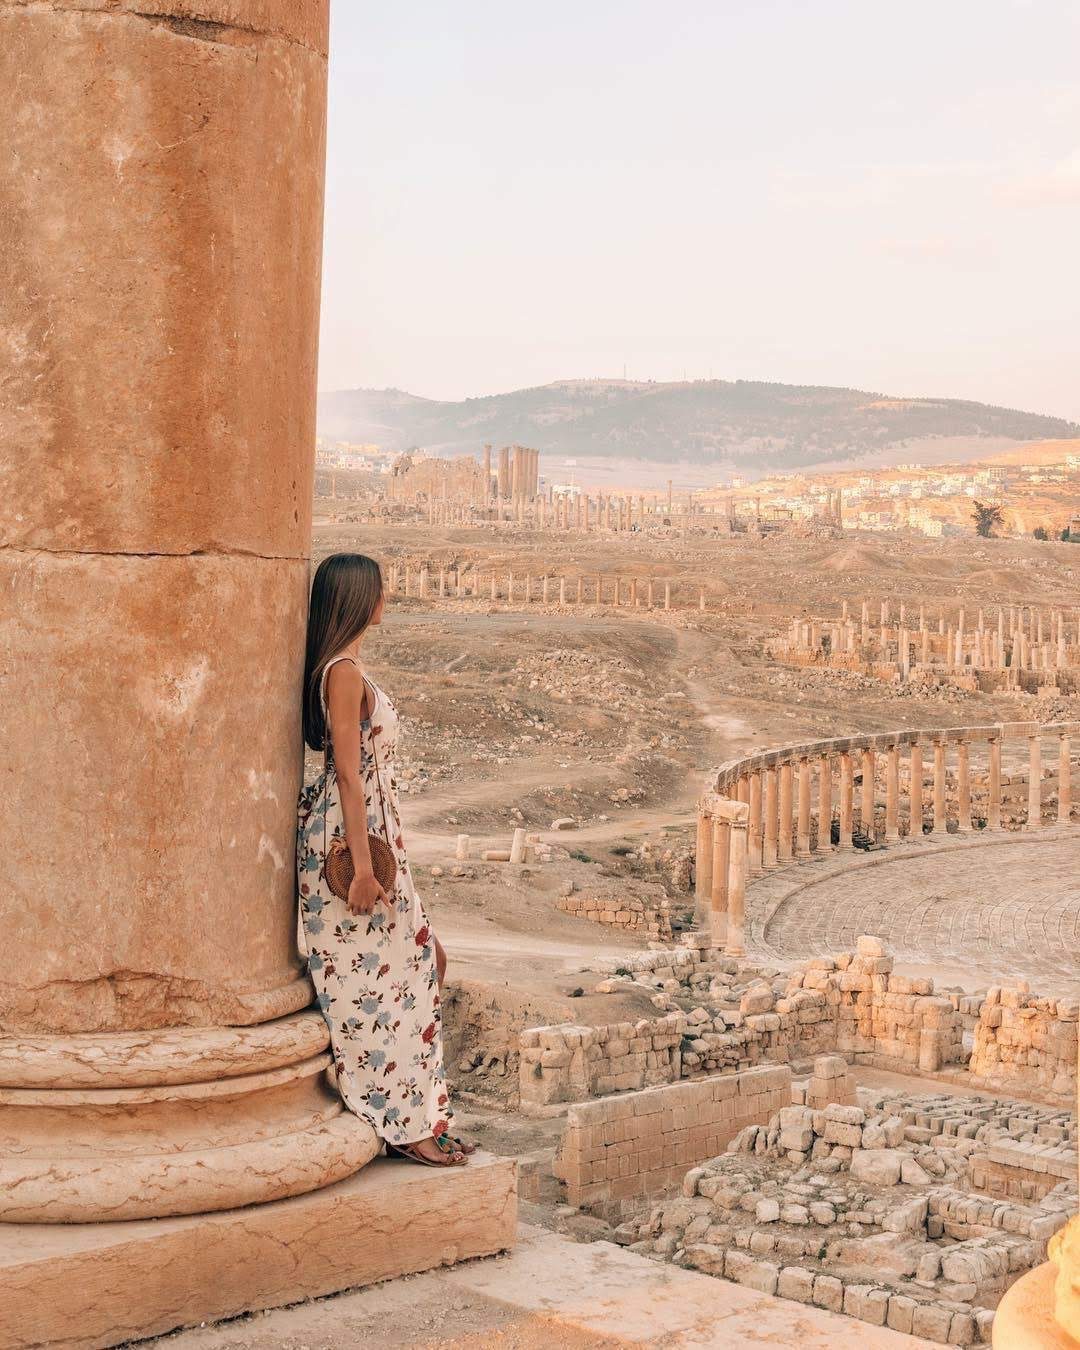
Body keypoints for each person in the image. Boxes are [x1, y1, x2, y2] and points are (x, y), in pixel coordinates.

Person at [296, 553, 468, 1166]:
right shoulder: (342, 672)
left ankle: (419, 1114)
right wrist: (364, 867)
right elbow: (347, 769)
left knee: (418, 965)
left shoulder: (343, 668)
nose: (386, 597)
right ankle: (405, 1125)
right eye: (380, 589)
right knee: (387, 979)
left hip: (375, 836)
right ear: (363, 600)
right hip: (354, 844)